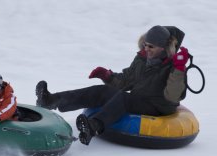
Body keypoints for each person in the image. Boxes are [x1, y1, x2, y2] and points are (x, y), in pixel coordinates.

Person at [36, 25, 190, 146]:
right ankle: (51, 100)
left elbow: (172, 96)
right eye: (145, 45)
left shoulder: (174, 66)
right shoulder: (143, 59)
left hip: (157, 106)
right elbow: (126, 81)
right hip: (138, 99)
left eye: (151, 47)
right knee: (103, 91)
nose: (146, 49)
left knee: (123, 99)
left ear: (163, 48)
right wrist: (108, 76)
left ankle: (93, 126)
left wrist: (179, 68)